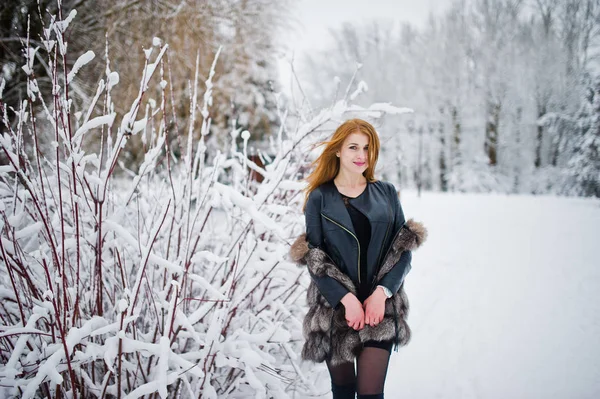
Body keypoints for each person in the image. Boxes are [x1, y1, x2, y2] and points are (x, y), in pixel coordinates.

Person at [289, 118, 427, 399]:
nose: (362, 155)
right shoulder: (320, 198)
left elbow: (403, 251)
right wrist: (347, 300)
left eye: (367, 148)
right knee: (343, 392)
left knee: (370, 393)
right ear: (338, 150)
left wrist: (382, 293)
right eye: (353, 147)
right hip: (334, 309)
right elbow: (315, 260)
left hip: (381, 309)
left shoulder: (386, 193)